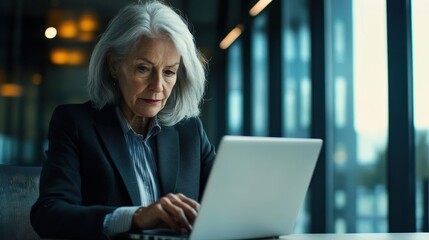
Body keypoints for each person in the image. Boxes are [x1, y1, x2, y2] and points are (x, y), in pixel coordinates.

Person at [30, 1, 216, 239]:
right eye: (143, 69)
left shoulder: (189, 131)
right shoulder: (74, 124)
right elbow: (49, 215)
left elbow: (229, 201)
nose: (158, 86)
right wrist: (135, 216)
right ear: (114, 64)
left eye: (169, 72)